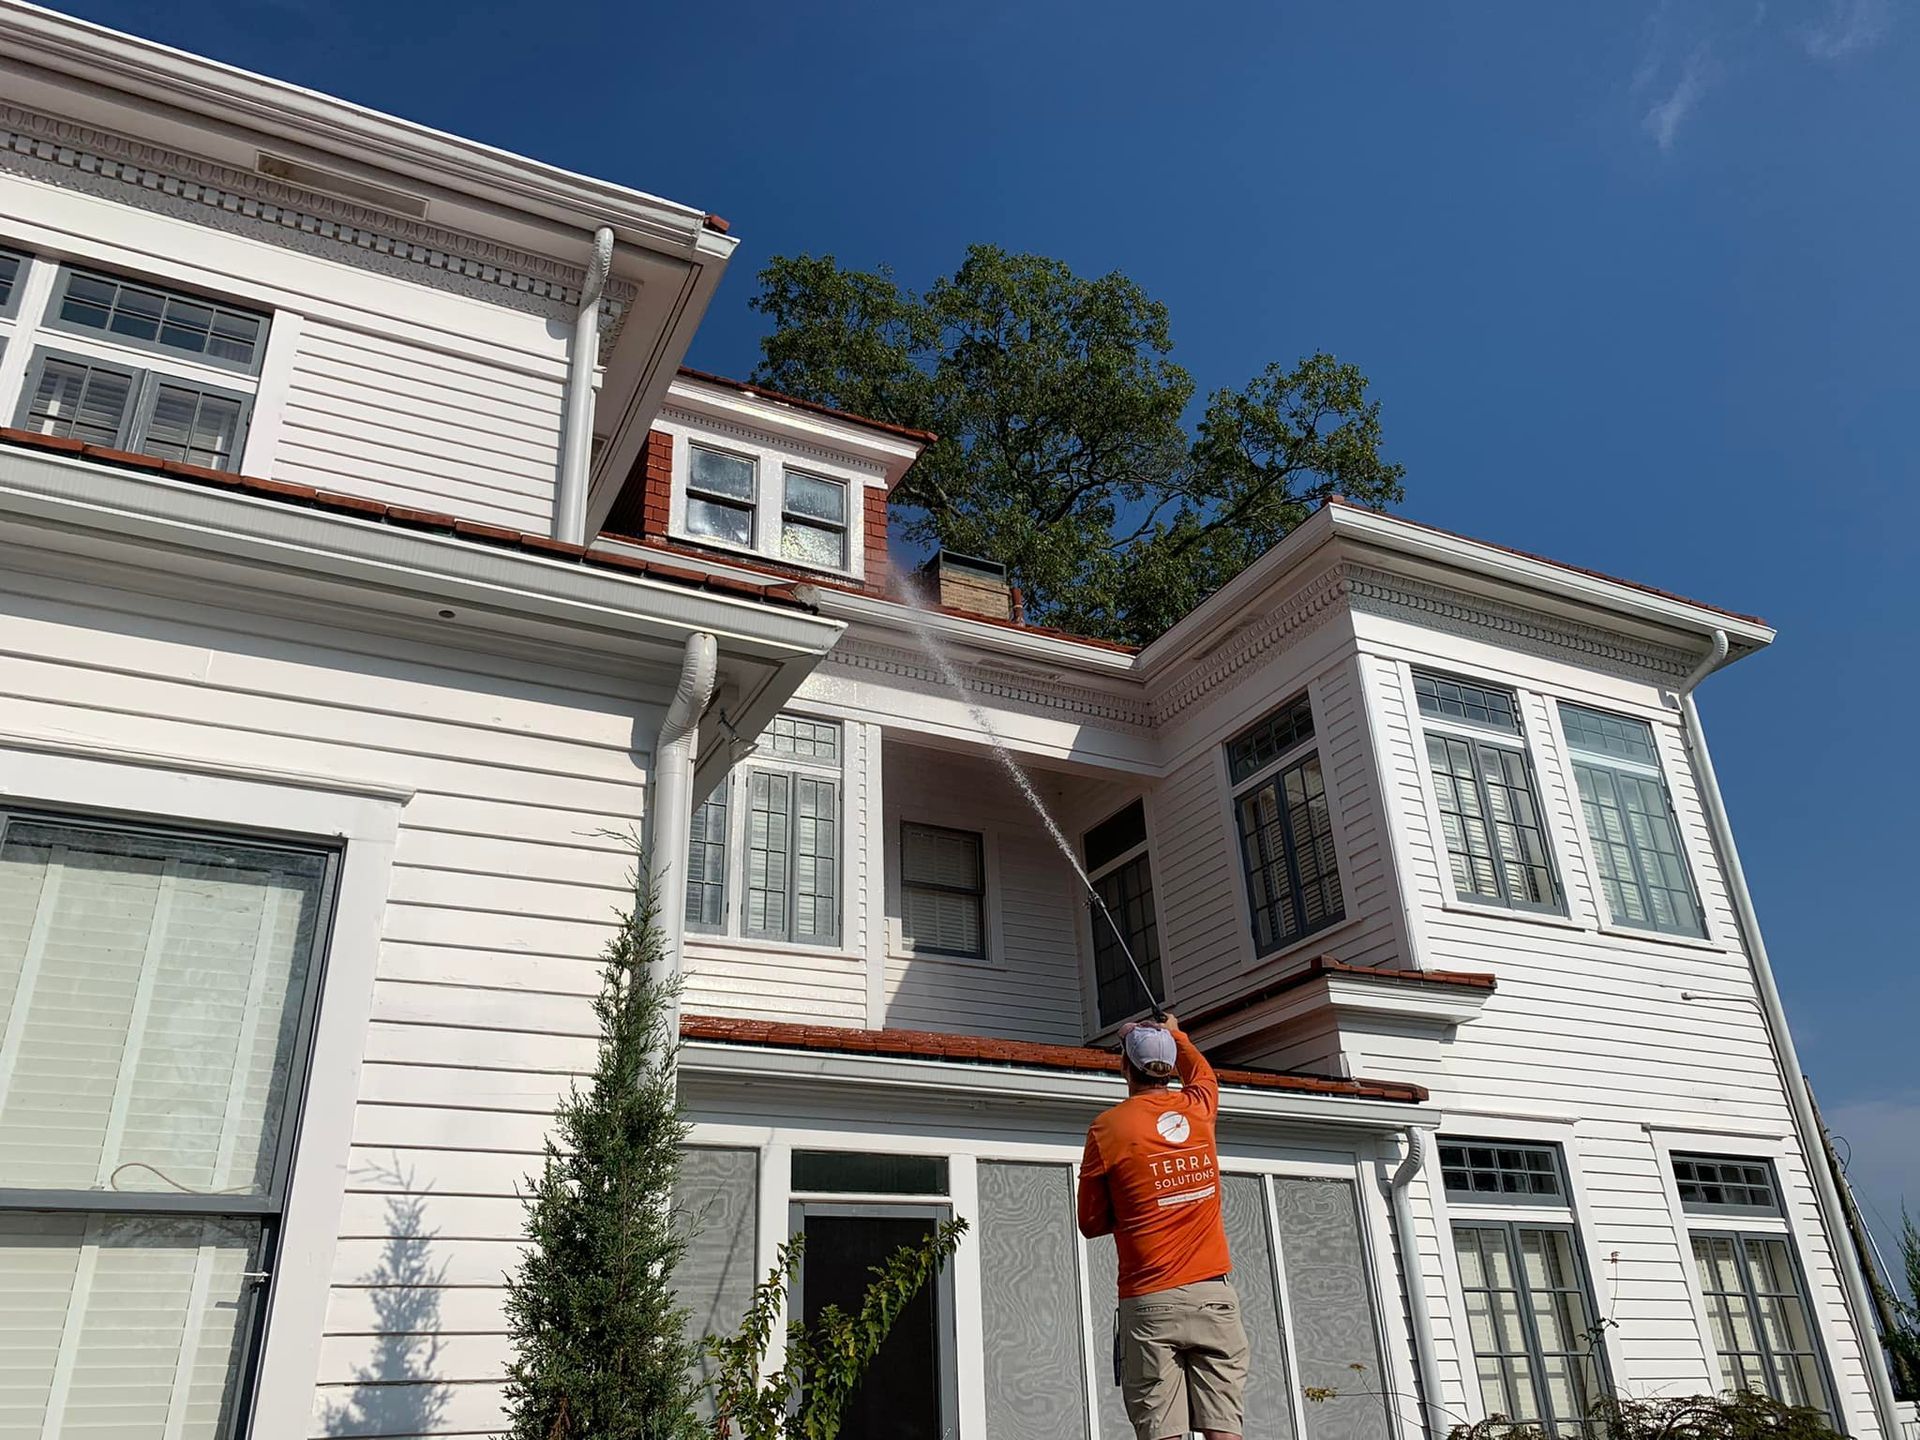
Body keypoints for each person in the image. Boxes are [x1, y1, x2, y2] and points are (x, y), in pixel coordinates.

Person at [1078, 1013, 1250, 1440]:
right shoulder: (1199, 1108)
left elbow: (1090, 1222)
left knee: (1161, 1431)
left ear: (1124, 1068)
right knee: (1224, 1429)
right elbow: (1202, 1072)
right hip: (1214, 1295)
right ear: (1170, 1070)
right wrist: (1175, 1033)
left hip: (1149, 1301)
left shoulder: (1108, 1128)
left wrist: (1139, 1205)